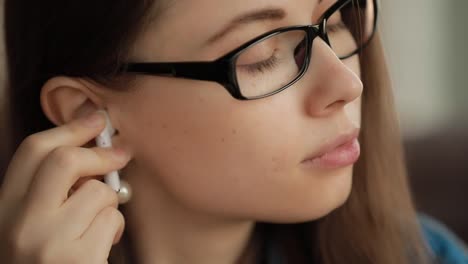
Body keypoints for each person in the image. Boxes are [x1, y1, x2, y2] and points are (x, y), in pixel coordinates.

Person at [0, 0, 466, 263]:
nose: (347, 84)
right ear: (88, 110)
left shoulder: (423, 256)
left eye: (338, 17)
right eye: (261, 53)